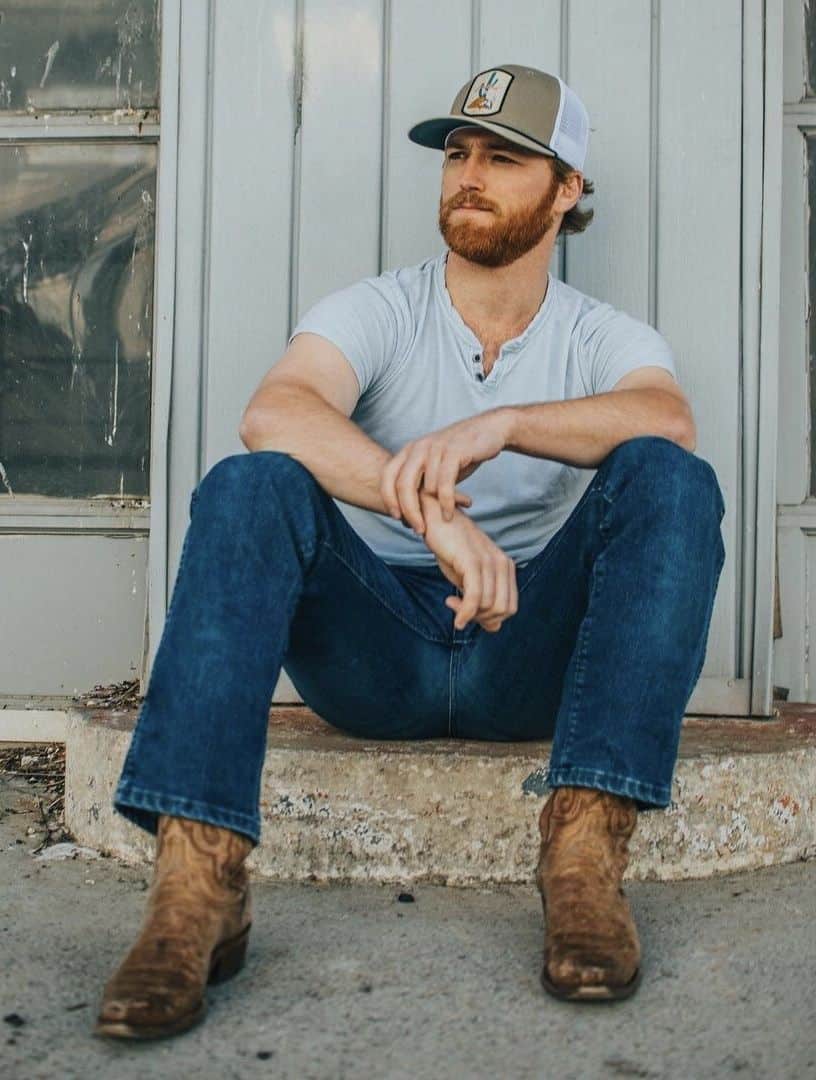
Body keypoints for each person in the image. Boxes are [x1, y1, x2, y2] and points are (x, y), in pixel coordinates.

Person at [96, 64, 726, 1039]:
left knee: (672, 478)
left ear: (567, 190)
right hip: (376, 648)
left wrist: (505, 422)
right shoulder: (382, 308)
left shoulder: (604, 336)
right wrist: (436, 516)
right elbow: (279, 409)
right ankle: (196, 887)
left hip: (529, 657)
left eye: (504, 157)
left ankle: (584, 852)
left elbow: (665, 417)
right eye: (457, 152)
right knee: (252, 482)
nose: (467, 174)